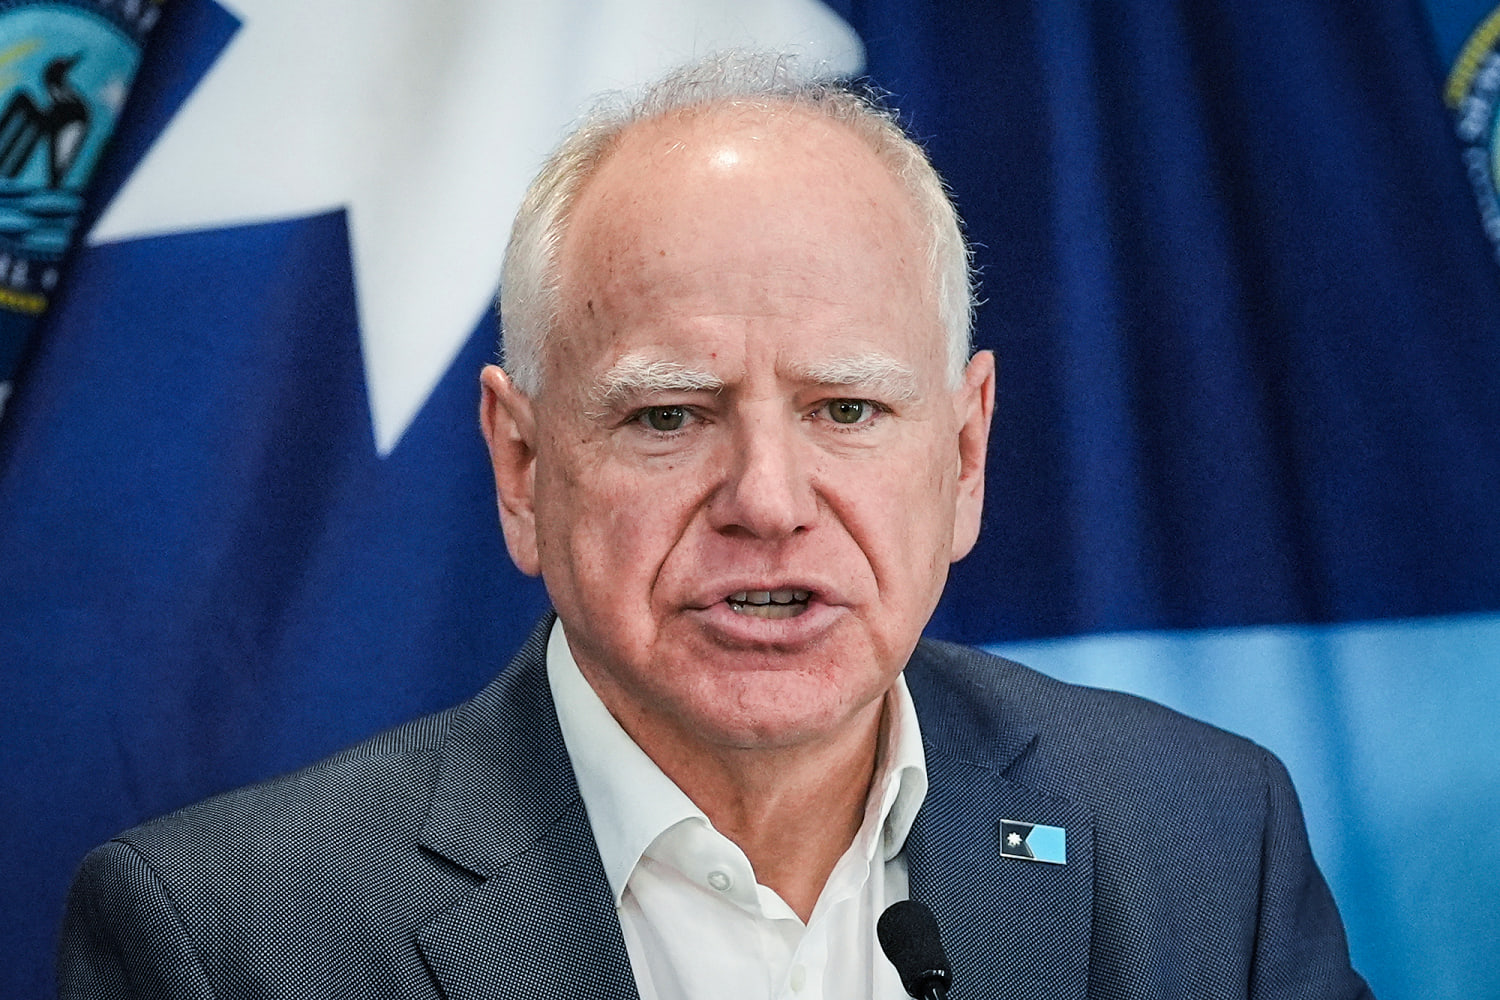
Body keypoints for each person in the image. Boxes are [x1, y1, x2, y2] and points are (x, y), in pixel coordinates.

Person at [58, 53, 1372, 999]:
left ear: (965, 455)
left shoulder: (1206, 845)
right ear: (522, 466)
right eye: (670, 416)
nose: (769, 501)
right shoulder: (226, 942)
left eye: (847, 409)